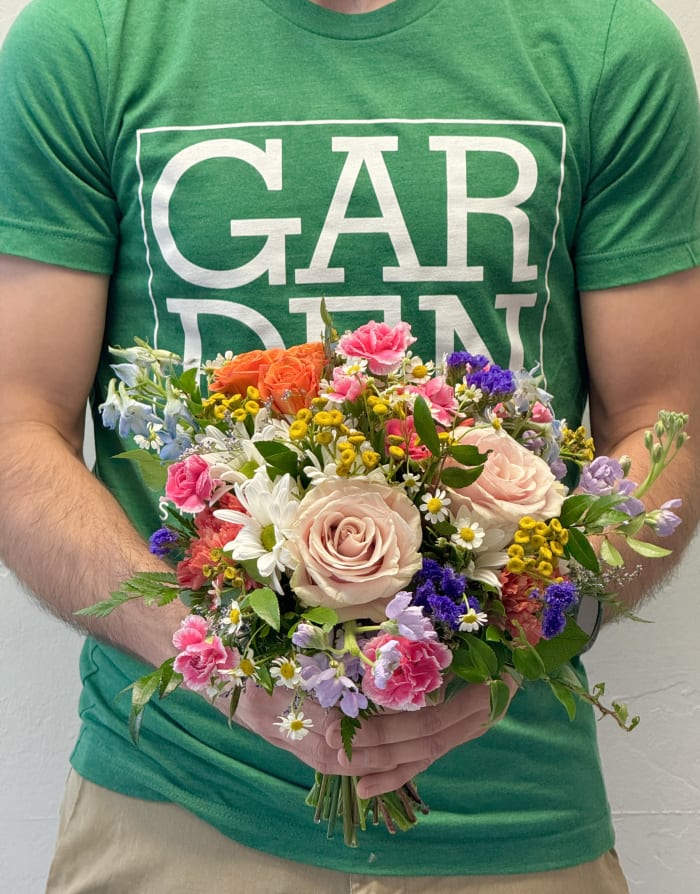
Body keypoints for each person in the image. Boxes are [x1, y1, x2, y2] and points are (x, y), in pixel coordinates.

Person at [0, 0, 698, 891]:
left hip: (516, 826)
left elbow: (663, 423)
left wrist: (513, 654)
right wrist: (215, 659)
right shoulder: (92, 33)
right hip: (176, 811)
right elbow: (19, 426)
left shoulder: (604, 38)